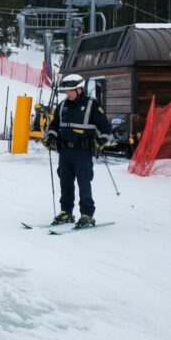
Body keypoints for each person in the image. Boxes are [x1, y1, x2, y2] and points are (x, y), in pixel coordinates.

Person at [43, 74, 113, 229]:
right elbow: (54, 125)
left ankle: (87, 214)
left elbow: (106, 129)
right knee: (65, 183)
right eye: (66, 91)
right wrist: (51, 137)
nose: (68, 94)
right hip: (65, 151)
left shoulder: (92, 105)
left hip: (83, 152)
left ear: (80, 89)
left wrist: (98, 142)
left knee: (84, 183)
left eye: (71, 91)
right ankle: (66, 212)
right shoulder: (62, 106)